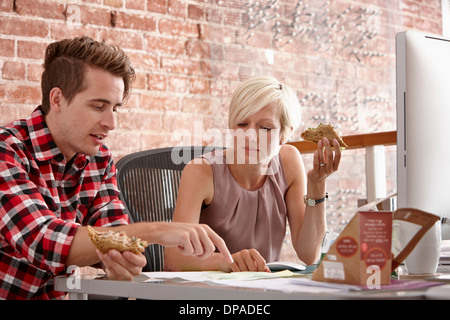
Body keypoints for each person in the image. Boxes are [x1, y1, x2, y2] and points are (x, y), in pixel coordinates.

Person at [0, 36, 232, 300]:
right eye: (98, 106)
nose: (111, 123)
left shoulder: (98, 160)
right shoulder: (7, 150)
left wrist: (122, 262)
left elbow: (118, 238)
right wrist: (154, 231)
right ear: (57, 99)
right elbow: (43, 241)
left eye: (115, 108)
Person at [165, 76, 341, 272]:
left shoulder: (289, 161)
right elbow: (173, 260)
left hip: (264, 290)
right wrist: (229, 261)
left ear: (284, 134)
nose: (249, 136)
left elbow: (310, 255)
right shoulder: (200, 170)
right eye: (242, 124)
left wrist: (317, 185)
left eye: (265, 128)